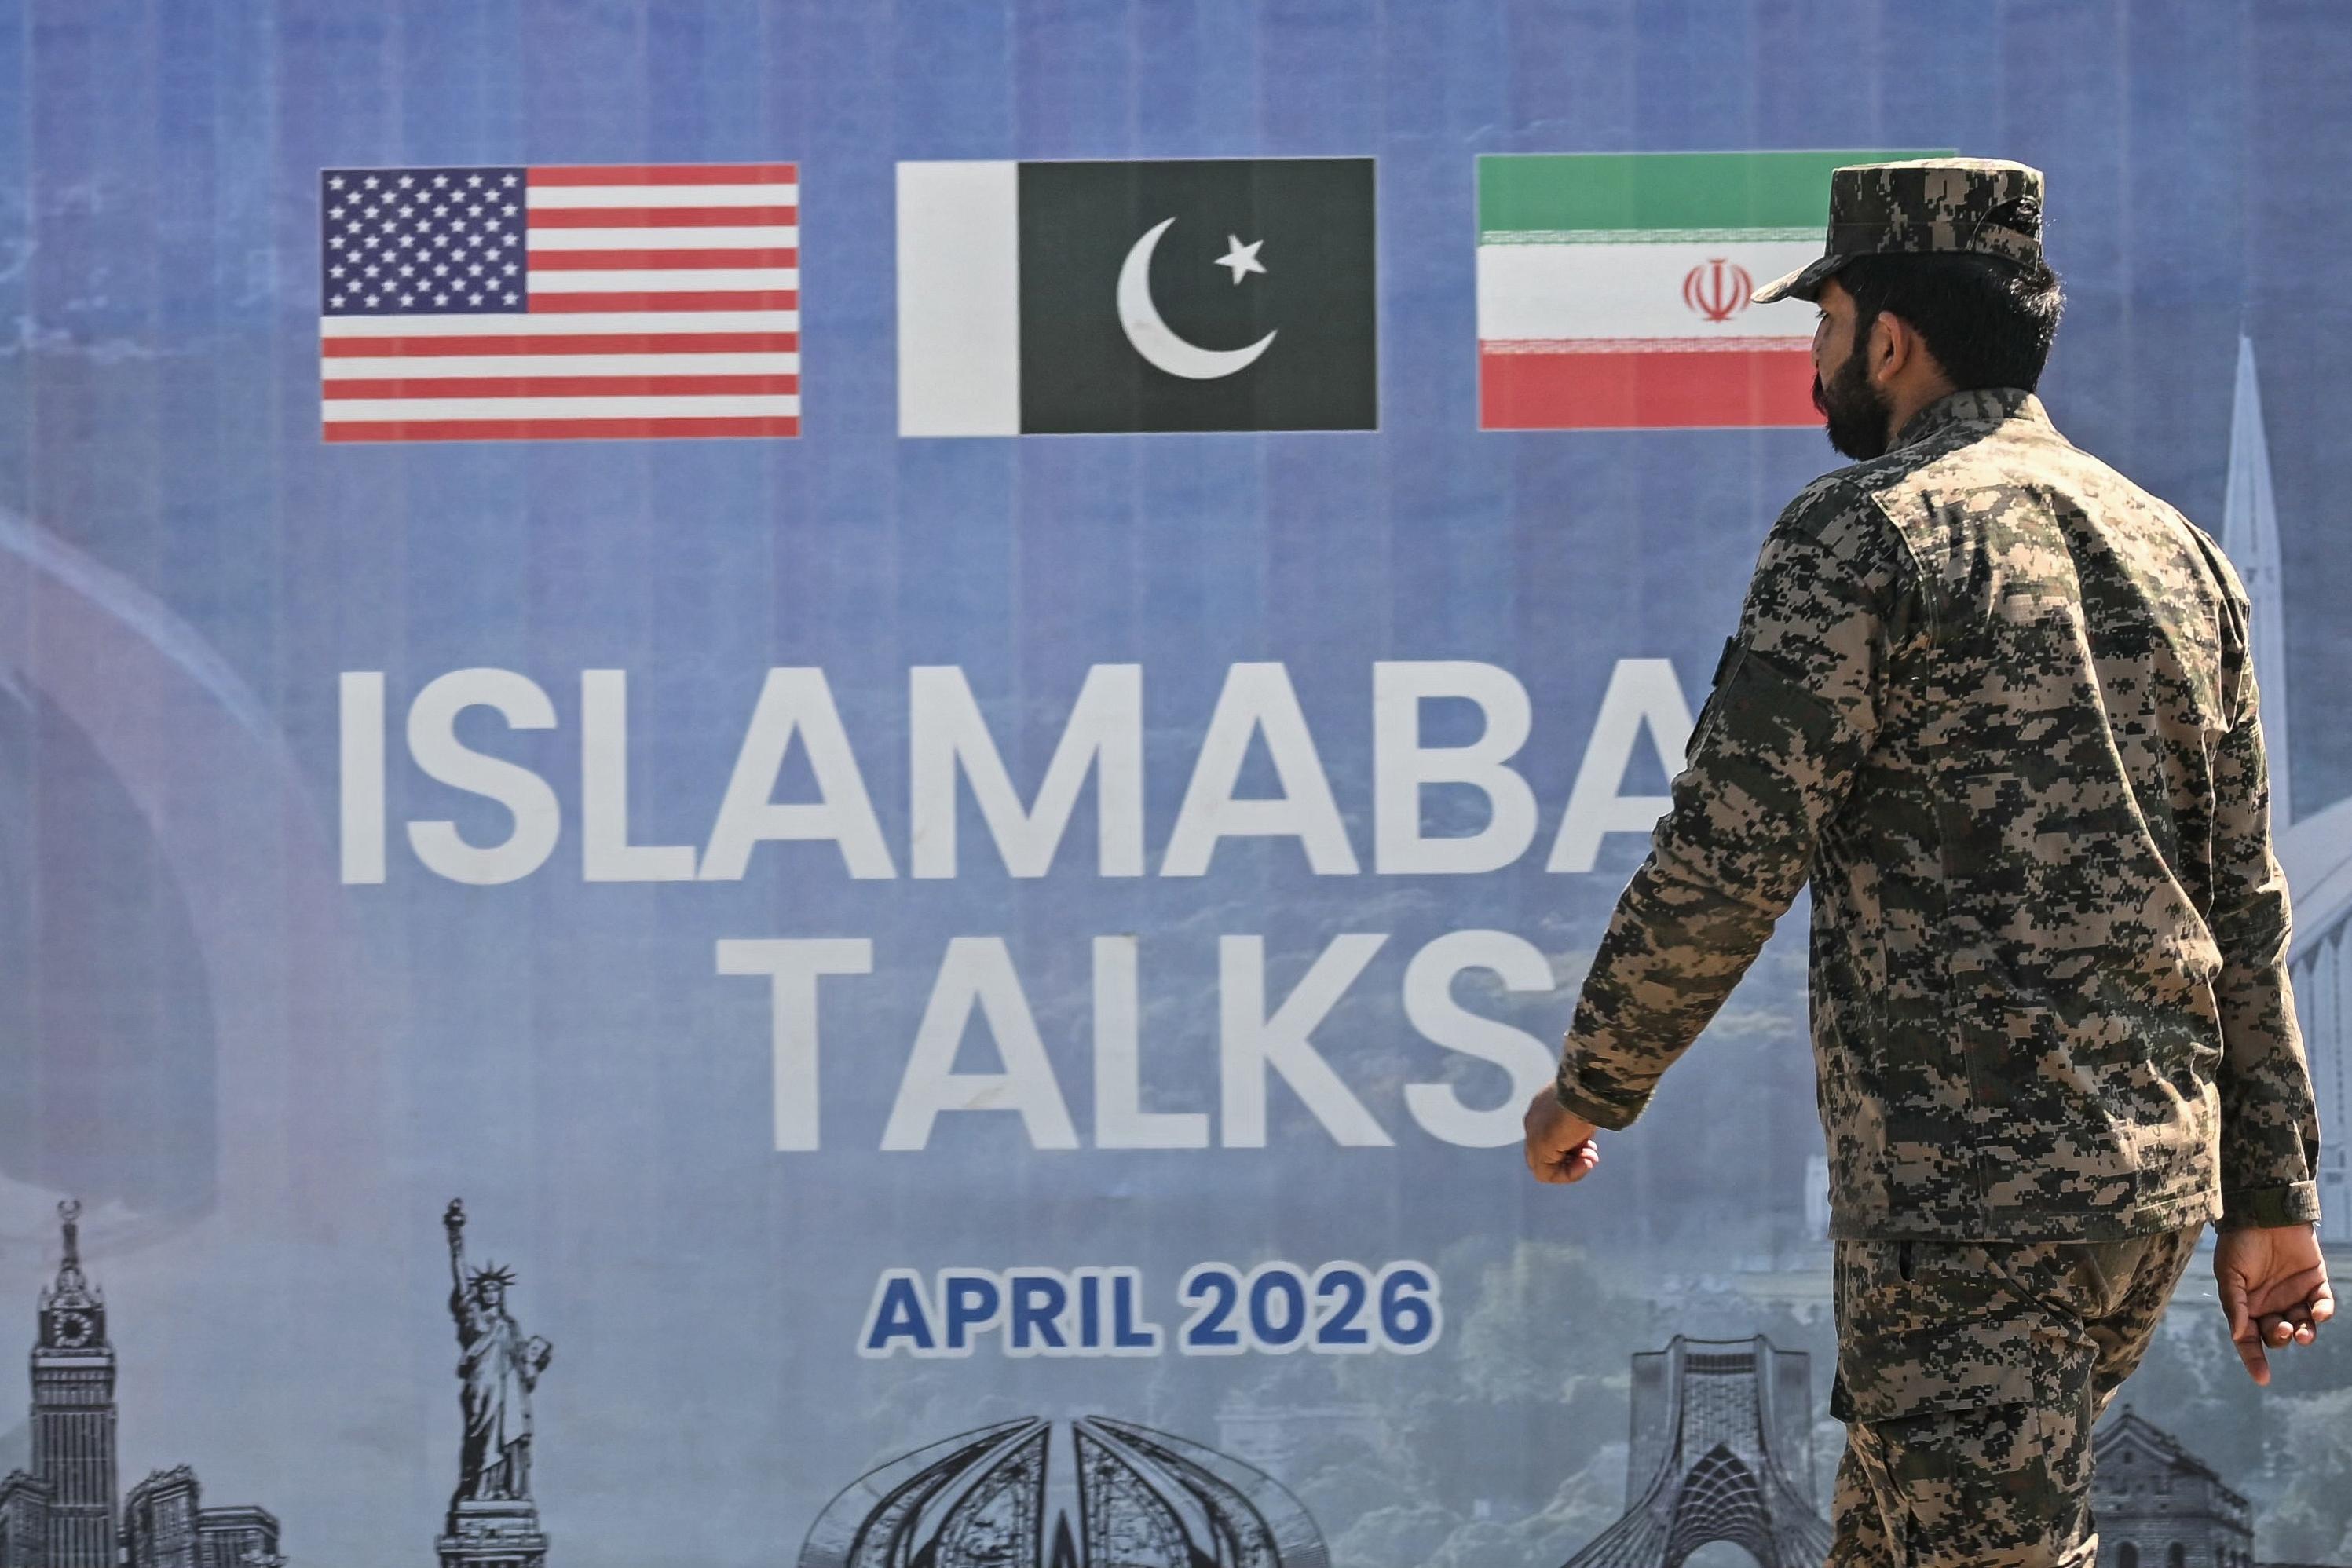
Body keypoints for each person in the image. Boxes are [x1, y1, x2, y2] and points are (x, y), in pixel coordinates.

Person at [1520, 159, 2335, 1567]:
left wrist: (1593, 1081)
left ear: (1887, 335)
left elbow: (1725, 857)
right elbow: (2246, 909)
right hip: (2137, 1200)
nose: (1813, 360)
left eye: (1820, 322)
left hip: (1966, 1222)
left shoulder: (1867, 537)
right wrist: (2273, 1196)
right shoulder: (2181, 556)